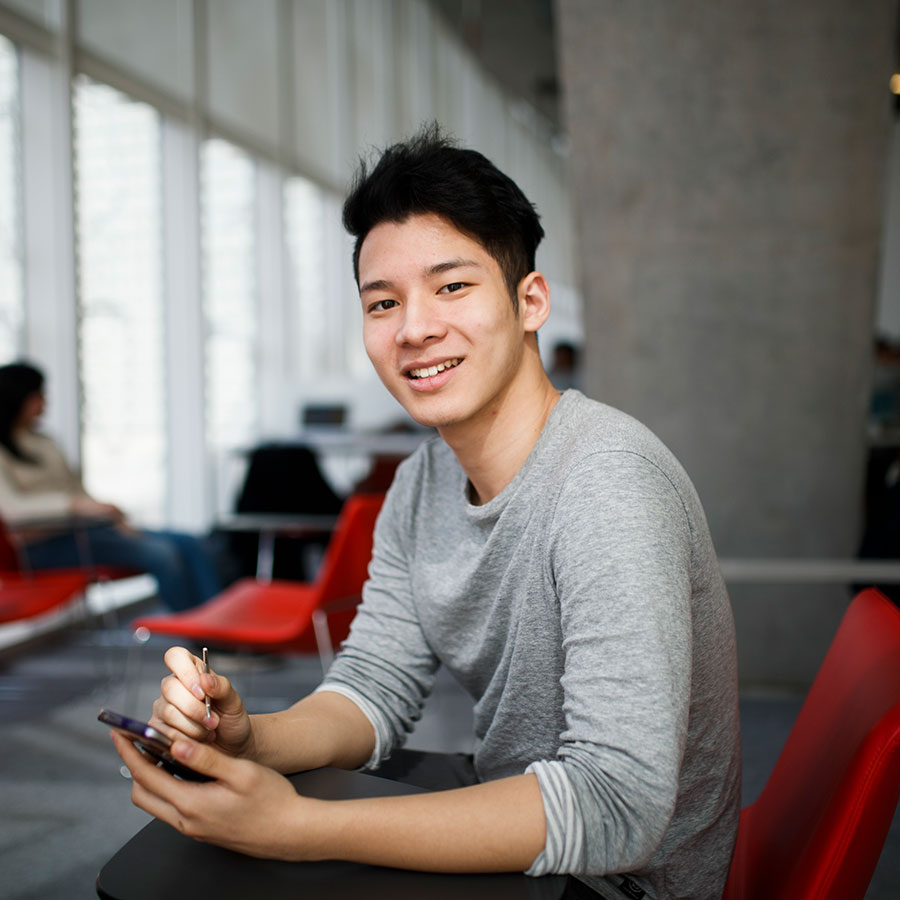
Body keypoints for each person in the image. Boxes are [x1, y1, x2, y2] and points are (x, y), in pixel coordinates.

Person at [112, 127, 741, 900]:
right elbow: (374, 685)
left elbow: (618, 808)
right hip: (528, 832)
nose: (414, 329)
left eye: (453, 287)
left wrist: (301, 829)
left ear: (530, 301)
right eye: (384, 302)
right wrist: (254, 737)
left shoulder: (608, 482)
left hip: (621, 884)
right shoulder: (422, 482)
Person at [0, 361, 222, 611]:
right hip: (43, 547)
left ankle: (215, 622)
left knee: (191, 543)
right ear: (18, 398)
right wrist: (77, 506)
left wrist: (108, 516)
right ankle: (191, 633)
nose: (45, 402)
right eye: (38, 395)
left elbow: (77, 491)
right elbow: (12, 509)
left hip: (89, 531)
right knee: (162, 553)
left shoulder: (45, 441)